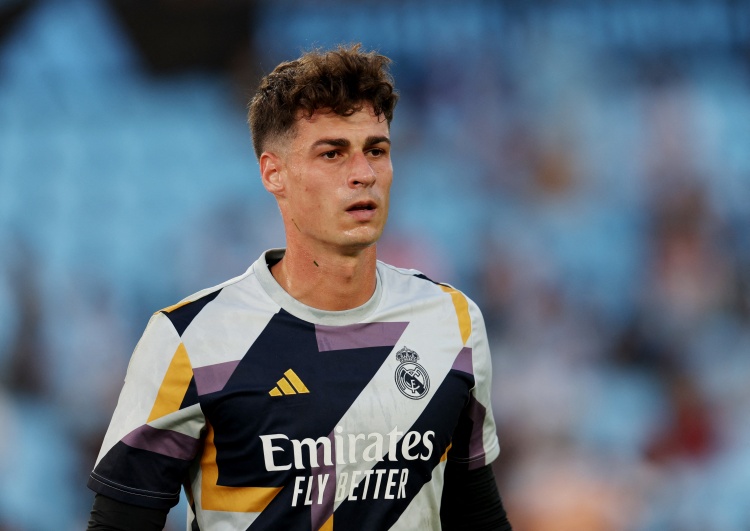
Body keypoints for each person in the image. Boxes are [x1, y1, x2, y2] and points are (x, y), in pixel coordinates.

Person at [86, 43, 512, 531]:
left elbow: (475, 514)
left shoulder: (452, 322)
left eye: (377, 150)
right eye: (332, 153)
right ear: (274, 173)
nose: (364, 174)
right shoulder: (189, 339)